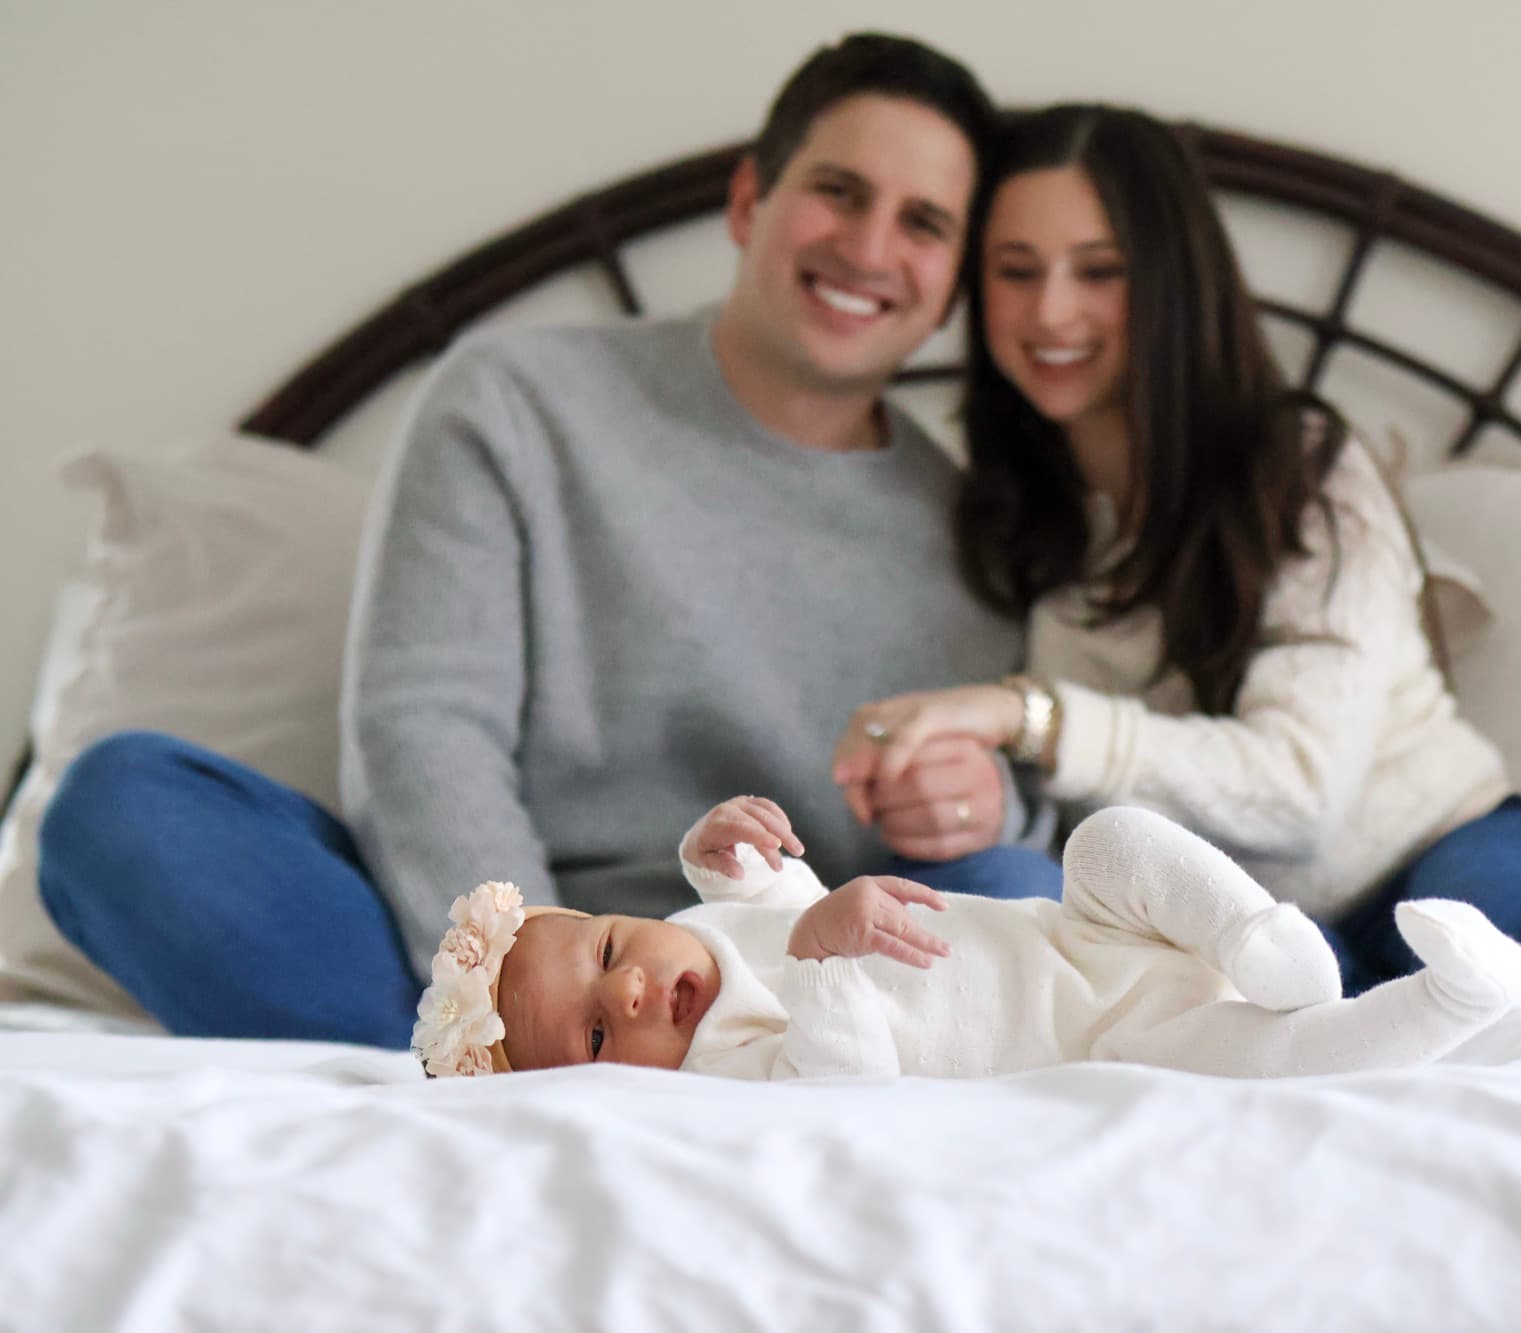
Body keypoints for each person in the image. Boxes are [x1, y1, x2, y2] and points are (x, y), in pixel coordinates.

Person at [34, 34, 1061, 1049]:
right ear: (749, 201)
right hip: (489, 958)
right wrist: (528, 997)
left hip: (787, 998)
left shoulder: (973, 525)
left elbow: (966, 859)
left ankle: (673, 1081)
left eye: (922, 223)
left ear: (951, 283)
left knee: (1018, 885)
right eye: (838, 191)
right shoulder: (512, 401)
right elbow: (423, 725)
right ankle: (498, 1066)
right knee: (123, 811)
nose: (870, 247)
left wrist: (984, 810)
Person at [832, 104, 1521, 1005]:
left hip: (1446, 840)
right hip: (1258, 928)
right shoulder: (1012, 511)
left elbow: (1296, 792)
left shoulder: (1301, 467)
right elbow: (1066, 808)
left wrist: (1026, 712)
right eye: (1015, 271)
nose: (1050, 313)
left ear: (1173, 283)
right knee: (1141, 971)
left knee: (1511, 960)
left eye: (1099, 271)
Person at [411, 794, 1521, 1079]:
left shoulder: (697, 935)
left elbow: (774, 890)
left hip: (1074, 937)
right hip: (1109, 1041)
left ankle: (1260, 937)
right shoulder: (719, 1070)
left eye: (612, 954)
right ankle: (1450, 1001)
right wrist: (822, 957)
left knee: (1108, 837)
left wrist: (725, 848)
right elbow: (837, 1076)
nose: (639, 998)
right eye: (601, 1039)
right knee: (1271, 1066)